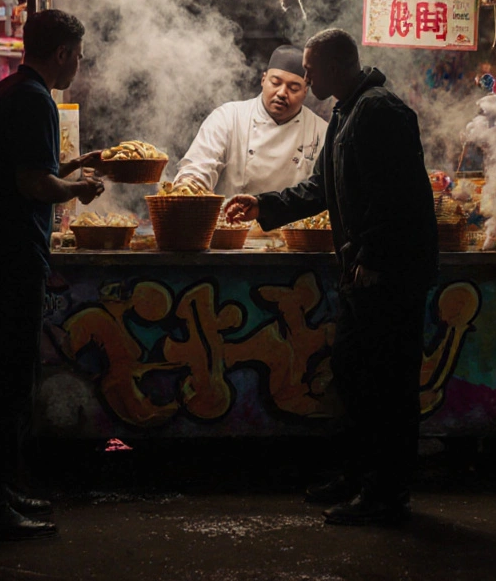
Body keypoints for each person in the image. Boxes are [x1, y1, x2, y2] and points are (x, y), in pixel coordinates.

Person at [225, 28, 439, 527]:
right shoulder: (346, 110)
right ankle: (356, 476)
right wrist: (266, 205)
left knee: (386, 385)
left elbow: (398, 198)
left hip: (390, 274)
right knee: (352, 374)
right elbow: (323, 186)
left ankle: (386, 493)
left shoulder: (381, 111)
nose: (307, 77)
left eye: (312, 70)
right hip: (363, 270)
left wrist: (373, 256)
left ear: (339, 66)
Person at [0, 9, 106, 545]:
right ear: (62, 52)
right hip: (6, 254)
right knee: (4, 381)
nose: (79, 65)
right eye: (79, 55)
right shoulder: (36, 98)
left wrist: (68, 166)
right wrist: (76, 189)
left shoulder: (11, 90)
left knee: (3, 376)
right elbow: (31, 184)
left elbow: (30, 170)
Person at [174, 44, 328, 198]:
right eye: (275, 83)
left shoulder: (321, 131)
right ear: (263, 80)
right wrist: (189, 185)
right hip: (231, 219)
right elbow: (200, 166)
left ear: (305, 91)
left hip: (296, 221)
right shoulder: (228, 117)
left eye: (293, 88)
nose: (282, 93)